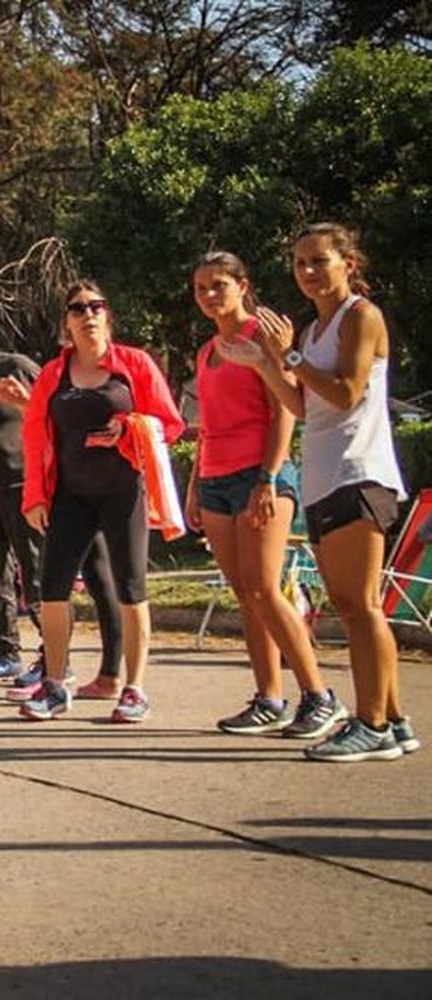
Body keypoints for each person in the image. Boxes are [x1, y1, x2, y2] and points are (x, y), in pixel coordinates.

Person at [216, 223, 416, 762]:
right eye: (300, 262)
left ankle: (371, 722)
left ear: (348, 263)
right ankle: (394, 720)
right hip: (324, 477)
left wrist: (293, 359)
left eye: (319, 261)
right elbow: (305, 408)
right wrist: (267, 364)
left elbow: (349, 395)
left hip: (361, 473)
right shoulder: (311, 330)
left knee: (361, 605)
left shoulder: (361, 317)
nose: (308, 272)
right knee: (352, 607)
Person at [185, 251, 344, 739]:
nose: (210, 295)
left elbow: (285, 412)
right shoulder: (209, 351)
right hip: (215, 481)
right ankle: (268, 698)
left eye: (219, 285)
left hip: (260, 476)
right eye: (201, 288)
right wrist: (193, 488)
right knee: (246, 597)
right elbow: (208, 427)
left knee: (265, 590)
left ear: (242, 284)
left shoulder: (263, 335)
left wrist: (268, 478)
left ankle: (320, 696)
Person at [18, 281, 184, 723]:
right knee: (51, 587)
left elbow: (169, 424)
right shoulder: (53, 373)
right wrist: (35, 495)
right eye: (77, 308)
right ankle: (54, 684)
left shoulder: (134, 364)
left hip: (122, 488)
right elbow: (34, 435)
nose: (87, 314)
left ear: (107, 315)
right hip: (70, 491)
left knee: (131, 587)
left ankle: (134, 688)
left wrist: (130, 427)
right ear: (67, 321)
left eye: (96, 306)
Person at [0, 309, 124, 698]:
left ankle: (55, 660)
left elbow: (51, 413)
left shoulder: (16, 367)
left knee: (38, 574)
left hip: (24, 485)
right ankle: (6, 652)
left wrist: (25, 401)